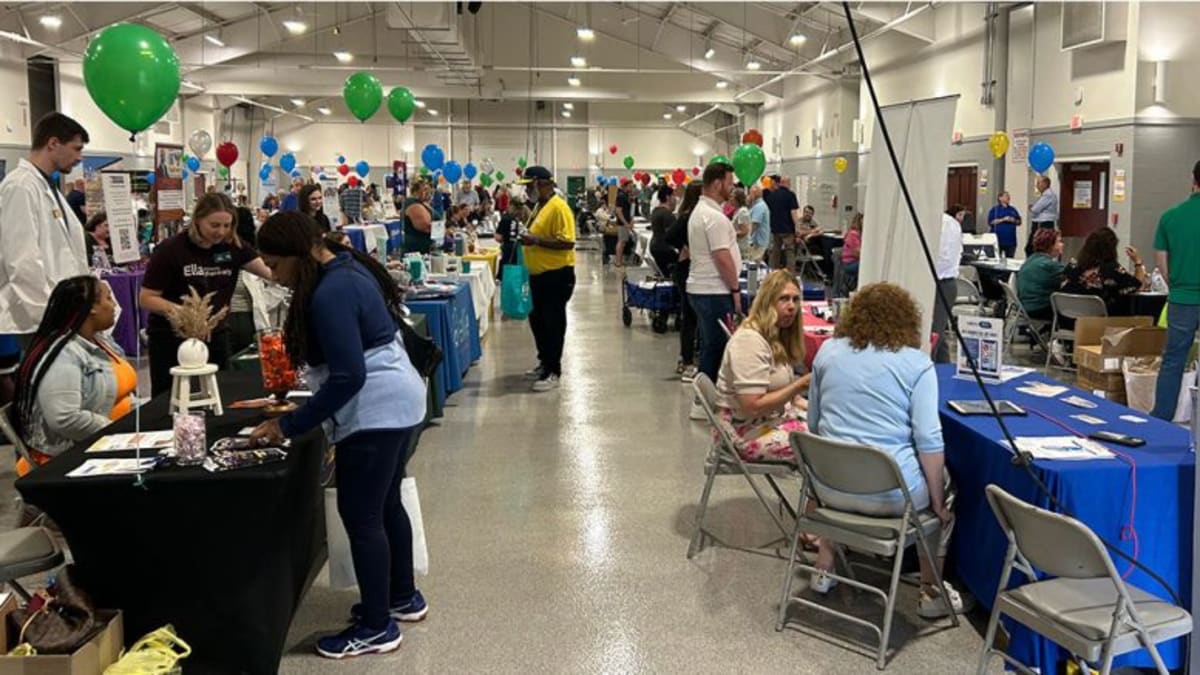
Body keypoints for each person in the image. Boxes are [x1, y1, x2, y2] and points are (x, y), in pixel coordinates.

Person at [248, 211, 427, 660]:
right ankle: (401, 596)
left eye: (274, 263)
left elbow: (348, 376)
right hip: (400, 398)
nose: (271, 274)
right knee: (386, 504)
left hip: (376, 411)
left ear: (297, 253)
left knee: (362, 514)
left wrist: (288, 424)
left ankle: (376, 626)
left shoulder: (331, 292)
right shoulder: (345, 267)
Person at [806, 282, 968, 616]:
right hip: (890, 496)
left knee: (839, 450)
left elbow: (813, 424)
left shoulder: (827, 352)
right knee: (946, 494)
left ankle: (824, 568)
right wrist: (937, 502)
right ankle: (930, 591)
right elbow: (929, 441)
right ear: (908, 320)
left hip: (829, 488)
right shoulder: (917, 364)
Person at [139, 193, 273, 396]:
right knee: (171, 398)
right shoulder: (170, 250)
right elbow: (146, 298)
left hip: (215, 336)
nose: (221, 232)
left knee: (219, 394)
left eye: (227, 226)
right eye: (214, 225)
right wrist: (187, 314)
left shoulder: (234, 247)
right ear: (198, 220)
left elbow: (271, 273)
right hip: (171, 339)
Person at [12, 276, 136, 475]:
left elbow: (124, 393)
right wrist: (118, 431)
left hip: (108, 440)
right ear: (92, 308)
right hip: (73, 457)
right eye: (108, 298)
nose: (114, 305)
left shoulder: (100, 342)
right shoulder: (63, 355)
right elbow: (65, 418)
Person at [0, 112, 90, 344]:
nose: (80, 157)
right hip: (36, 320)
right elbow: (22, 261)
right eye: (76, 148)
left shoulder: (48, 187)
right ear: (53, 143)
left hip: (61, 314)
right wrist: (49, 316)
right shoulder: (20, 186)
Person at [715, 270, 809, 462]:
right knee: (826, 444)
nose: (792, 306)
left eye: (795, 300)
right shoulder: (750, 341)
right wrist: (799, 385)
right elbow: (752, 406)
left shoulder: (775, 336)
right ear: (768, 302)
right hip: (743, 433)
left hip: (767, 421)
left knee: (833, 427)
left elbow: (795, 400)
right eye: (784, 299)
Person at [516, 168, 576, 392]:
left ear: (542, 184)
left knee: (553, 323)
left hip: (556, 275)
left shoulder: (559, 207)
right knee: (538, 321)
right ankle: (544, 362)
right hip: (537, 275)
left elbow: (568, 242)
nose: (526, 190)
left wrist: (536, 241)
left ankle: (554, 370)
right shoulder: (540, 207)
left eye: (529, 186)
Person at [1151, 161, 1200, 421]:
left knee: (1173, 360)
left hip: (1182, 298)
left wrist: (1176, 285)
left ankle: (1161, 417)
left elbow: (1161, 261)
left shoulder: (1170, 217)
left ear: (1193, 180)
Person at [687, 162, 742, 384]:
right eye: (729, 183)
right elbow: (722, 257)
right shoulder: (714, 217)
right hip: (713, 291)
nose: (732, 188)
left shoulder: (701, 213)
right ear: (718, 183)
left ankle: (705, 397)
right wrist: (735, 289)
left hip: (703, 289)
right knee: (717, 347)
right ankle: (705, 399)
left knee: (711, 344)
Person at [1060, 226, 1147, 316]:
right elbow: (1137, 285)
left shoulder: (1072, 265)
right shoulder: (1112, 269)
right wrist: (1138, 262)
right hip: (1099, 324)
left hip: (1068, 321)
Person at [667, 183, 702, 382]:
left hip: (689, 268)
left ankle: (686, 357)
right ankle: (687, 360)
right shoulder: (688, 217)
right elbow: (669, 236)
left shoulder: (693, 216)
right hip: (686, 269)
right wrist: (684, 247)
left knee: (690, 316)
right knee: (689, 316)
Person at [931, 205, 965, 364]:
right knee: (939, 332)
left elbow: (942, 258)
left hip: (940, 282)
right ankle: (943, 369)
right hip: (945, 282)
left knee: (933, 334)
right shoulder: (951, 223)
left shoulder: (943, 224)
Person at [1014, 228, 1065, 322]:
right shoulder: (1050, 265)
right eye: (1059, 242)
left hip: (1025, 306)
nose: (1062, 244)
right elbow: (1070, 275)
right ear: (1050, 245)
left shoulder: (1030, 259)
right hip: (1039, 308)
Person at [765, 175, 800, 270]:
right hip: (787, 229)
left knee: (775, 253)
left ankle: (773, 272)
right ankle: (789, 274)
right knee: (790, 252)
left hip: (774, 228)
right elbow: (793, 212)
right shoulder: (791, 195)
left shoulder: (771, 195)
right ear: (788, 183)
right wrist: (797, 227)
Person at [495, 200, 530, 281]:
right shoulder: (520, 220)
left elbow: (498, 237)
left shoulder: (505, 218)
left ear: (511, 206)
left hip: (507, 247)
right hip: (518, 248)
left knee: (505, 268)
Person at [648, 185, 678, 275]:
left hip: (654, 246)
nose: (675, 199)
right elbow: (673, 235)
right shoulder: (667, 215)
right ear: (667, 197)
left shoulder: (655, 211)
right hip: (665, 249)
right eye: (674, 196)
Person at [1025, 175, 1058, 255]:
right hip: (1044, 223)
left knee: (1033, 248)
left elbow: (1035, 209)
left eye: (1038, 183)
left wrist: (1032, 208)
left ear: (1045, 184)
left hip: (1042, 224)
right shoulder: (1047, 195)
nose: (1037, 185)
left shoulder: (1048, 195)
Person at [401, 178, 435, 255]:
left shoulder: (423, 203)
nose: (428, 192)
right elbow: (425, 226)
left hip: (426, 248)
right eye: (425, 189)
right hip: (417, 249)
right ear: (417, 191)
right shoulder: (412, 203)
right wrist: (440, 229)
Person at [987, 191, 1022, 258]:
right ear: (1000, 198)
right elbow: (991, 222)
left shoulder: (1013, 209)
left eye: (1009, 196)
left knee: (1010, 259)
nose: (1008, 197)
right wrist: (1003, 219)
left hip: (1011, 240)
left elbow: (1019, 222)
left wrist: (1013, 220)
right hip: (998, 239)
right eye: (1006, 196)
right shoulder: (995, 209)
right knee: (996, 259)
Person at [614, 180, 636, 268]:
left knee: (623, 242)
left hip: (626, 222)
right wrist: (626, 223)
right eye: (630, 186)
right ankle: (618, 261)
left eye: (632, 187)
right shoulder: (621, 196)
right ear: (625, 186)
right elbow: (619, 211)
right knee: (621, 241)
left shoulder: (626, 196)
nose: (631, 188)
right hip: (622, 223)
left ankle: (619, 260)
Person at [747, 184, 770, 263]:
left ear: (755, 194)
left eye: (750, 193)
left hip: (758, 243)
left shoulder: (759, 206)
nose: (749, 196)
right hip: (760, 242)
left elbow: (754, 224)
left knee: (754, 265)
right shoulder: (758, 205)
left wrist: (747, 238)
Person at [730, 188, 753, 260]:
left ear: (738, 198)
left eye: (732, 197)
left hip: (742, 248)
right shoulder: (737, 211)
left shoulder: (742, 212)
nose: (730, 199)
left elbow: (744, 231)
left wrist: (729, 234)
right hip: (738, 246)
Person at [841, 212, 863, 280]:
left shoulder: (856, 233)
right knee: (867, 265)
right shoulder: (853, 234)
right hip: (850, 264)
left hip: (852, 262)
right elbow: (857, 253)